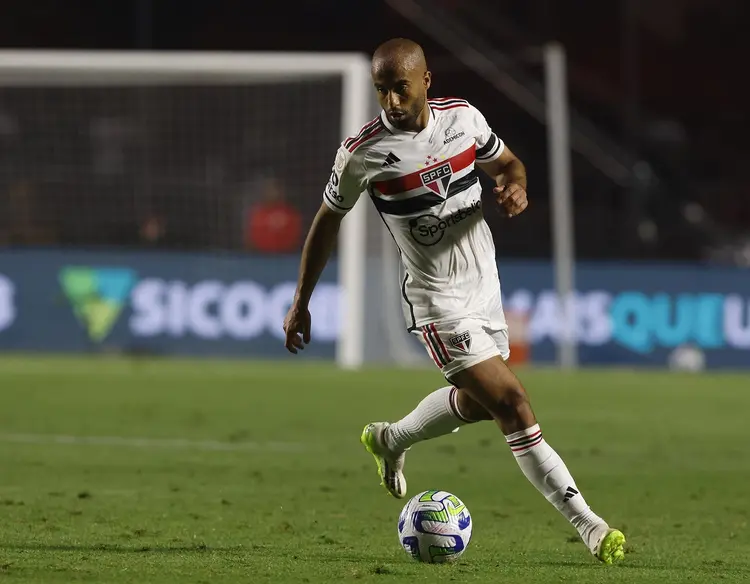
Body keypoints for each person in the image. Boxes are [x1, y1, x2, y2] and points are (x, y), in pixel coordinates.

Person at [283, 38, 625, 564]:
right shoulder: (363, 152)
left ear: (426, 81)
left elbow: (510, 165)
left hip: (484, 286)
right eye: (381, 91)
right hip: (435, 299)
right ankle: (590, 525)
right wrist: (302, 298)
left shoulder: (464, 120)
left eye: (400, 88)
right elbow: (327, 221)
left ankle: (391, 439)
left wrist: (516, 188)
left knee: (479, 405)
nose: (391, 102)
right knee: (512, 403)